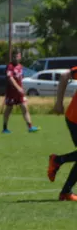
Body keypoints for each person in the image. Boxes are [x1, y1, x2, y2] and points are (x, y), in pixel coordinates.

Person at [47, 66, 77, 201]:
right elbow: (65, 76)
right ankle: (57, 160)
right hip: (75, 118)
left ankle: (65, 192)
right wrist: (59, 103)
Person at [2, 49, 39, 134]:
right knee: (8, 110)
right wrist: (18, 88)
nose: (15, 58)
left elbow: (20, 79)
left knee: (24, 108)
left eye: (17, 56)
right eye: (14, 56)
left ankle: (30, 127)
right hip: (11, 93)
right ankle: (5, 128)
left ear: (20, 57)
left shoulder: (20, 67)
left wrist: (21, 89)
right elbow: (10, 78)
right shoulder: (10, 67)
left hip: (19, 93)